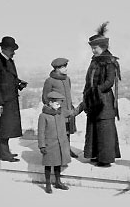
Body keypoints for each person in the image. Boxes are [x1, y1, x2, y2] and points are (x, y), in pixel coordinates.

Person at [82, 22, 121, 167]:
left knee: (104, 129)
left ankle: (105, 159)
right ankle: (94, 154)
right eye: (92, 48)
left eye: (95, 48)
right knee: (93, 127)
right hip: (94, 98)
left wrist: (96, 90)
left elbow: (109, 82)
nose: (93, 50)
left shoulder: (109, 61)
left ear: (103, 47)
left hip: (103, 100)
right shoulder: (95, 60)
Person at [0, 36, 28, 162]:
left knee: (7, 127)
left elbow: (10, 78)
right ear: (4, 49)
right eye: (12, 49)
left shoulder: (9, 61)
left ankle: (2, 151)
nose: (14, 52)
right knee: (4, 128)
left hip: (11, 100)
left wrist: (19, 83)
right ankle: (4, 154)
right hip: (3, 103)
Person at [42, 58, 78, 158]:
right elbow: (45, 97)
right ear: (57, 69)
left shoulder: (67, 79)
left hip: (68, 110)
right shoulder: (50, 81)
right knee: (58, 132)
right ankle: (59, 151)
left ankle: (67, 149)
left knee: (67, 131)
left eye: (66, 66)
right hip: (58, 111)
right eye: (63, 67)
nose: (66, 69)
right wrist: (53, 108)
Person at [38, 91, 72, 194]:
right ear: (50, 103)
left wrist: (84, 104)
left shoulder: (61, 113)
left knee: (58, 164)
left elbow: (72, 112)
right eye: (57, 103)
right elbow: (41, 132)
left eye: (60, 104)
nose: (59, 106)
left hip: (60, 145)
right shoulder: (43, 116)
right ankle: (48, 184)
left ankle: (58, 182)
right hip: (49, 145)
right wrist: (42, 145)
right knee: (48, 165)